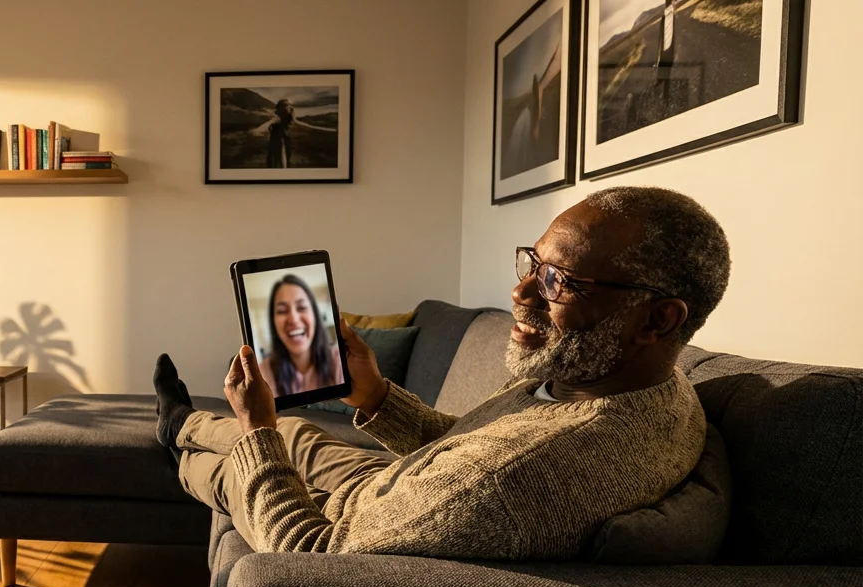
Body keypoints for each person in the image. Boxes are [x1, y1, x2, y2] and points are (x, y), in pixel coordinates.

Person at [153, 186, 729, 558]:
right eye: (532, 264)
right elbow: (471, 446)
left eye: (558, 281)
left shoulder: (519, 478)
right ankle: (181, 421)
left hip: (360, 519)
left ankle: (182, 446)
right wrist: (377, 398)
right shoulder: (622, 383)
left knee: (233, 467)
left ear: (656, 320)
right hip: (397, 489)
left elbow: (311, 554)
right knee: (298, 431)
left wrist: (255, 430)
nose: (519, 292)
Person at [257, 274, 343, 397]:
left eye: (302, 307)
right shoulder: (263, 373)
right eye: (282, 311)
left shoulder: (338, 361)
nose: (293, 319)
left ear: (315, 316)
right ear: (273, 322)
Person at [267, 99, 295, 168]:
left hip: (282, 137)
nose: (286, 107)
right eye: (284, 105)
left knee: (280, 158)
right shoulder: (278, 116)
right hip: (278, 138)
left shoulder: (287, 114)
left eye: (287, 105)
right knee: (277, 159)